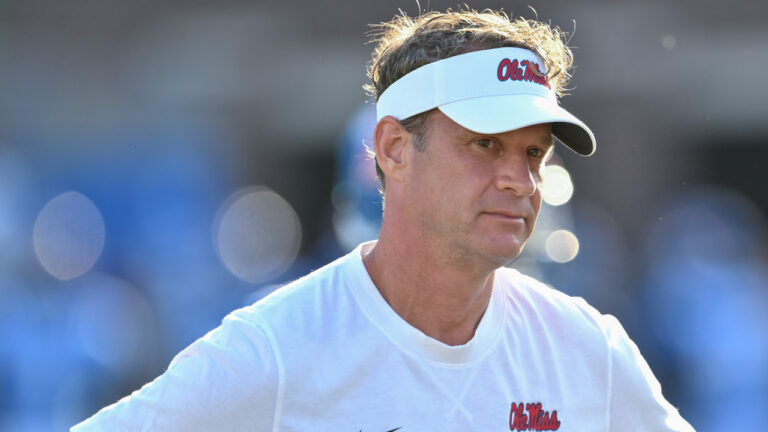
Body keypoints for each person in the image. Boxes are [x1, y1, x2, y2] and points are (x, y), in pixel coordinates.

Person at [73, 9, 694, 431]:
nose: (519, 179)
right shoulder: (274, 348)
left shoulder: (588, 347)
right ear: (394, 150)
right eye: (484, 144)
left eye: (532, 153)